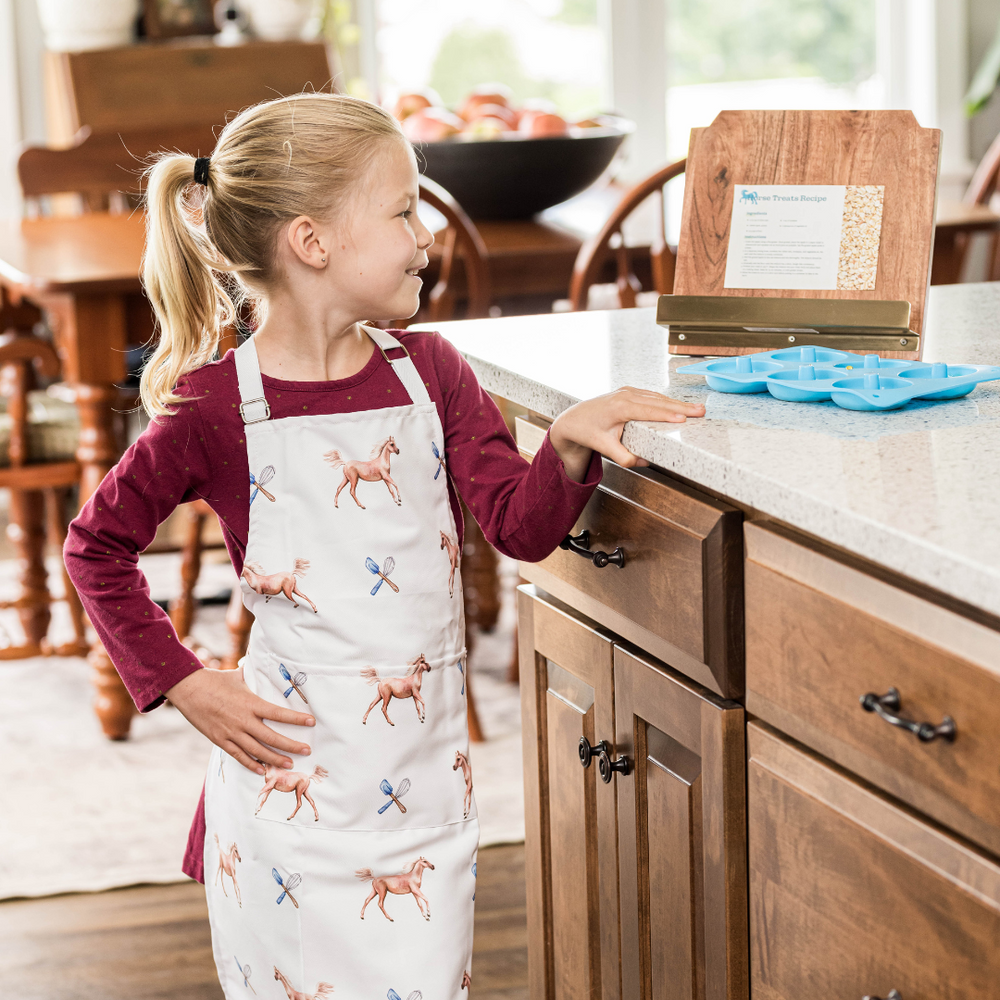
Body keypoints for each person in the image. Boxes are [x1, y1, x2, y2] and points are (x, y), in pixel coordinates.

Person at [64, 93, 704, 999]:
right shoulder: (216, 409)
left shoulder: (434, 375)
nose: (424, 236)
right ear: (313, 241)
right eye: (403, 211)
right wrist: (183, 681)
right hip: (287, 803)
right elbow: (96, 546)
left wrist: (563, 444)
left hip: (420, 804)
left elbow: (518, 530)